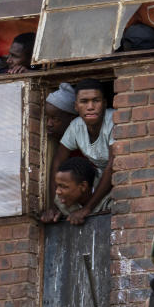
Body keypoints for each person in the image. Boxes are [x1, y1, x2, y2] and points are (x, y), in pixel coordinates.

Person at [41, 79, 114, 225]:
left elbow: (113, 165)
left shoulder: (113, 120)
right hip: (99, 177)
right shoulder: (76, 127)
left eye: (96, 101)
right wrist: (52, 206)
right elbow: (57, 161)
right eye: (84, 102)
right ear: (76, 106)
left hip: (117, 176)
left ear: (105, 103)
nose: (90, 107)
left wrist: (87, 209)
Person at [43, 156, 112, 224]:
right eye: (57, 185)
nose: (57, 191)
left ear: (83, 186)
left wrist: (87, 209)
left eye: (63, 186)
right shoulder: (59, 201)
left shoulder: (111, 199)